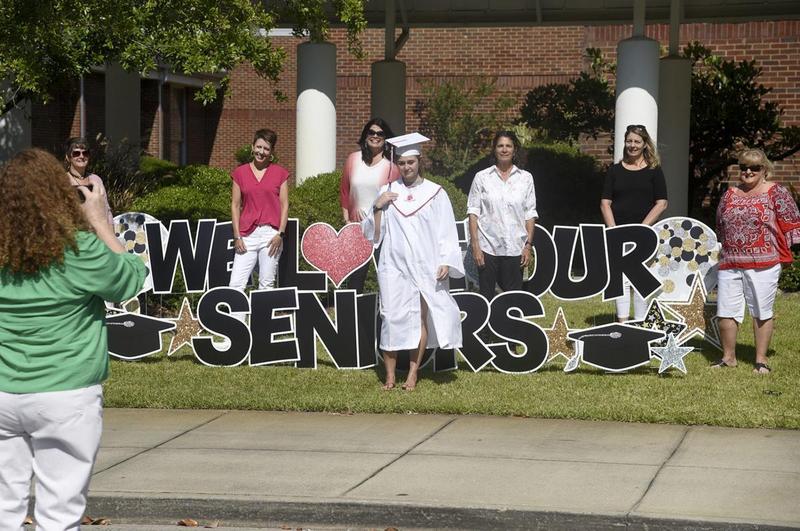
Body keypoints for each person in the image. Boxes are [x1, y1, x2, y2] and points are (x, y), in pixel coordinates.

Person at [0, 149, 146, 528]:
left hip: (2, 392)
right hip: (66, 395)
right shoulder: (79, 252)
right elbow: (131, 279)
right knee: (60, 513)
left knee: (3, 508)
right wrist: (100, 222)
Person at [362, 136, 464, 391]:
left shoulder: (435, 193)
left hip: (424, 265)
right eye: (402, 163)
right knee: (390, 317)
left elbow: (447, 231)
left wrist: (446, 261)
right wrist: (377, 206)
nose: (406, 167)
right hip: (393, 266)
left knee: (419, 317)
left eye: (411, 162)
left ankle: (413, 372)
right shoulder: (386, 192)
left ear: (419, 162)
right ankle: (389, 376)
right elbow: (373, 234)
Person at [713, 148, 800, 373]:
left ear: (765, 170)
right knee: (726, 310)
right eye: (743, 167)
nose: (748, 171)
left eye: (754, 167)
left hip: (765, 263)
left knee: (761, 310)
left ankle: (761, 360)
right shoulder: (730, 193)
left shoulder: (776, 192)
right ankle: (728, 358)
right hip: (730, 261)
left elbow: (791, 221)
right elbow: (720, 225)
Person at [600, 124, 668, 322]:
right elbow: (605, 203)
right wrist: (613, 232)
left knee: (640, 279)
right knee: (620, 279)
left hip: (645, 235)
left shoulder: (654, 171)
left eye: (637, 141)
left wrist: (642, 229)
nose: (632, 145)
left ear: (645, 144)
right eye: (629, 141)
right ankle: (622, 323)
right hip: (619, 233)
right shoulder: (614, 170)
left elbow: (661, 203)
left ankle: (638, 324)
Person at [467, 130, 538, 301]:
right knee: (486, 298)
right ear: (494, 149)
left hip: (515, 248)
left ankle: (510, 328)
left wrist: (528, 246)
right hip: (487, 247)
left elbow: (530, 213)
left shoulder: (526, 178)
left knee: (512, 299)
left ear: (514, 150)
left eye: (508, 146)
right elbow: (473, 212)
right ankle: (486, 329)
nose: (504, 149)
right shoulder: (482, 177)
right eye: (500, 146)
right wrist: (476, 246)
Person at [339, 118, 400, 293]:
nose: (375, 136)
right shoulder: (353, 159)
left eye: (380, 134)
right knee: (356, 280)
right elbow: (344, 190)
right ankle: (354, 318)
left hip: (382, 232)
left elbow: (395, 200)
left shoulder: (392, 168)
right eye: (371, 132)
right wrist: (346, 220)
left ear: (386, 138)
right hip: (357, 230)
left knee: (386, 280)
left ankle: (385, 318)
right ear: (366, 136)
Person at [229, 128, 290, 291]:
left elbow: (285, 205)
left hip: (271, 235)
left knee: (266, 285)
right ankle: (237, 318)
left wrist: (280, 234)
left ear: (271, 152)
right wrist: (237, 236)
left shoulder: (280, 173)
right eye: (259, 147)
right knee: (235, 284)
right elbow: (235, 205)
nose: (261, 152)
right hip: (246, 236)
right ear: (252, 147)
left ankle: (262, 318)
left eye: (266, 149)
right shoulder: (239, 173)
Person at [64, 137, 114, 229]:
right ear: (68, 157)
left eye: (85, 153)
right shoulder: (63, 180)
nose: (81, 156)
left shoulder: (96, 180)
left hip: (97, 232)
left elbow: (106, 210)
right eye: (76, 153)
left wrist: (111, 235)